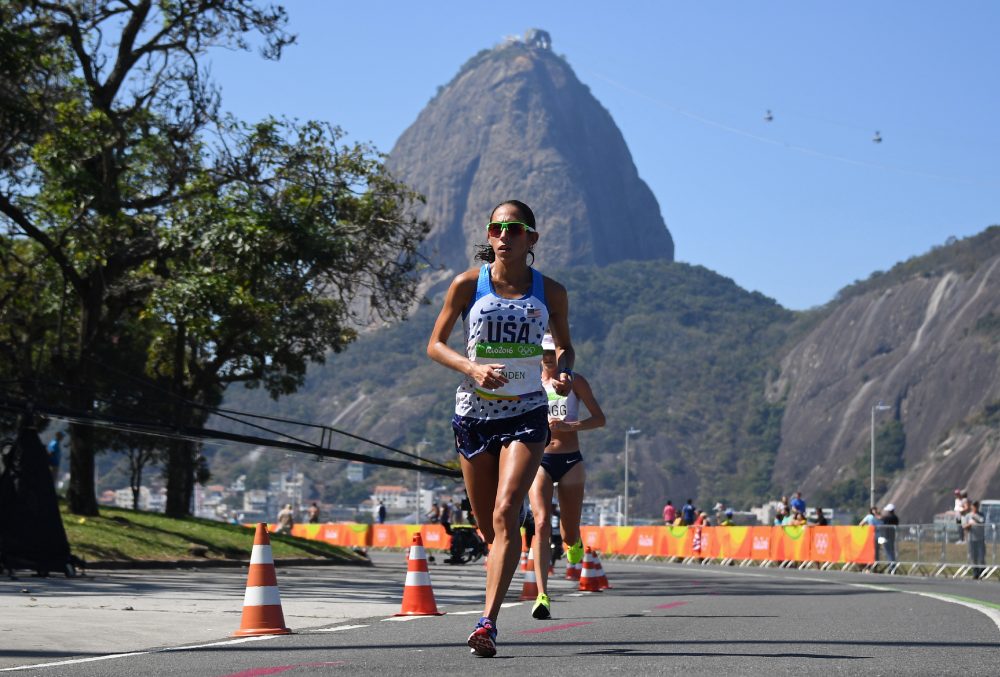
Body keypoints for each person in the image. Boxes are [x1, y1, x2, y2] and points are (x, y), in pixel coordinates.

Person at [426, 199, 573, 657]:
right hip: (473, 415)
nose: (504, 235)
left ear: (532, 238)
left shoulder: (551, 291)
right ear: (489, 236)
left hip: (527, 412)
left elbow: (564, 347)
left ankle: (487, 622)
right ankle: (506, 546)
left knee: (507, 509)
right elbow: (435, 345)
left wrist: (561, 373)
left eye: (514, 228)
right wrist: (472, 369)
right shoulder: (468, 284)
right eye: (496, 228)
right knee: (489, 526)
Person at [528, 332, 606, 620]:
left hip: (571, 459)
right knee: (540, 522)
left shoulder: (576, 383)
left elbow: (600, 419)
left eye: (553, 352)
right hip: (539, 459)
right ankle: (542, 595)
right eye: (544, 352)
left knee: (568, 530)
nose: (548, 357)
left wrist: (570, 426)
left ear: (561, 355)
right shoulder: (530, 384)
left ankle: (573, 541)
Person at [962, 500, 986, 578]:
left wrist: (976, 519)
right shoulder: (968, 516)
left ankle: (982, 570)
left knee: (981, 556)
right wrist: (970, 524)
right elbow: (964, 526)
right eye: (974, 505)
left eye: (977, 506)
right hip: (971, 539)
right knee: (973, 556)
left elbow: (982, 522)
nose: (975, 507)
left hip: (980, 539)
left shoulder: (981, 515)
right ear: (972, 506)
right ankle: (975, 572)